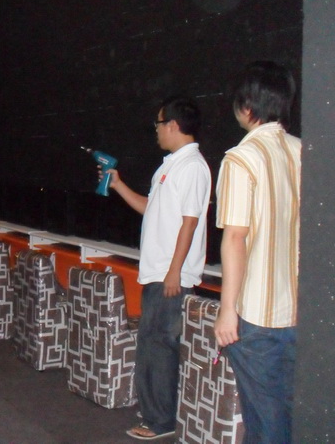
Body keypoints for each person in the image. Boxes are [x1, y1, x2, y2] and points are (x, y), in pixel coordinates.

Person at [104, 96, 212, 440]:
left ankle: (161, 420)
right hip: (159, 272)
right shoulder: (169, 166)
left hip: (170, 275)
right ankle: (153, 413)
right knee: (151, 343)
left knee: (161, 346)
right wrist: (118, 184)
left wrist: (174, 271)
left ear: (173, 125)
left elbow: (190, 222)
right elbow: (150, 208)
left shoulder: (192, 166)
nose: (156, 130)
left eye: (159, 123)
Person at [214, 61, 300, 444]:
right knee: (292, 413)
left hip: (258, 316)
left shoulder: (240, 159)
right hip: (301, 311)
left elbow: (235, 237)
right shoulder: (305, 152)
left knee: (265, 420)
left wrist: (226, 309)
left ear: (247, 107)